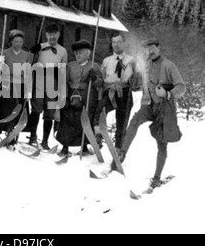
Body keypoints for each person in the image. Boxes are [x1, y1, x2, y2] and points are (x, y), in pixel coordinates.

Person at [118, 38, 186, 189]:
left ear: (158, 48)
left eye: (153, 48)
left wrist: (168, 93)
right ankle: (122, 154)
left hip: (165, 108)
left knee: (162, 144)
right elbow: (141, 86)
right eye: (148, 49)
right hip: (150, 105)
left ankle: (156, 178)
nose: (150, 51)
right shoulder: (146, 67)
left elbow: (182, 87)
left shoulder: (169, 65)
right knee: (135, 121)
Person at [56, 40, 103, 156]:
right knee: (68, 121)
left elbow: (100, 83)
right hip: (71, 94)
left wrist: (95, 79)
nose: (78, 55)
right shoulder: (70, 66)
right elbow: (63, 82)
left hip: (87, 95)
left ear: (88, 53)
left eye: (80, 53)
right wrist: (65, 97)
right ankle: (65, 147)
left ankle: (85, 146)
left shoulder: (94, 66)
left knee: (85, 120)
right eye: (76, 53)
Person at [27, 24, 68, 150]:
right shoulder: (40, 48)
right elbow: (30, 62)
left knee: (49, 113)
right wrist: (32, 51)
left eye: (54, 34)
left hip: (53, 83)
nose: (52, 37)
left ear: (58, 35)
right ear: (46, 35)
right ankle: (33, 136)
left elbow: (63, 69)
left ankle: (45, 141)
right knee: (36, 109)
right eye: (49, 34)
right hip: (39, 80)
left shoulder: (62, 51)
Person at [93, 34, 136, 150]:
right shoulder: (106, 61)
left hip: (124, 92)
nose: (116, 45)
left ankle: (118, 148)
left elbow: (136, 80)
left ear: (124, 44)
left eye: (119, 42)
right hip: (110, 91)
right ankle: (98, 136)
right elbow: (102, 78)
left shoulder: (131, 60)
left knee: (121, 121)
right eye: (113, 42)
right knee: (100, 110)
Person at [0, 30, 31, 146]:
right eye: (16, 41)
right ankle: (8, 130)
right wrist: (0, 64)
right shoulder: (5, 53)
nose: (18, 44)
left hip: (21, 84)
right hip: (8, 83)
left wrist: (28, 90)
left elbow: (28, 74)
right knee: (9, 108)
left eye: (20, 42)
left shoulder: (26, 55)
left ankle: (15, 132)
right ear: (11, 41)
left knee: (19, 108)